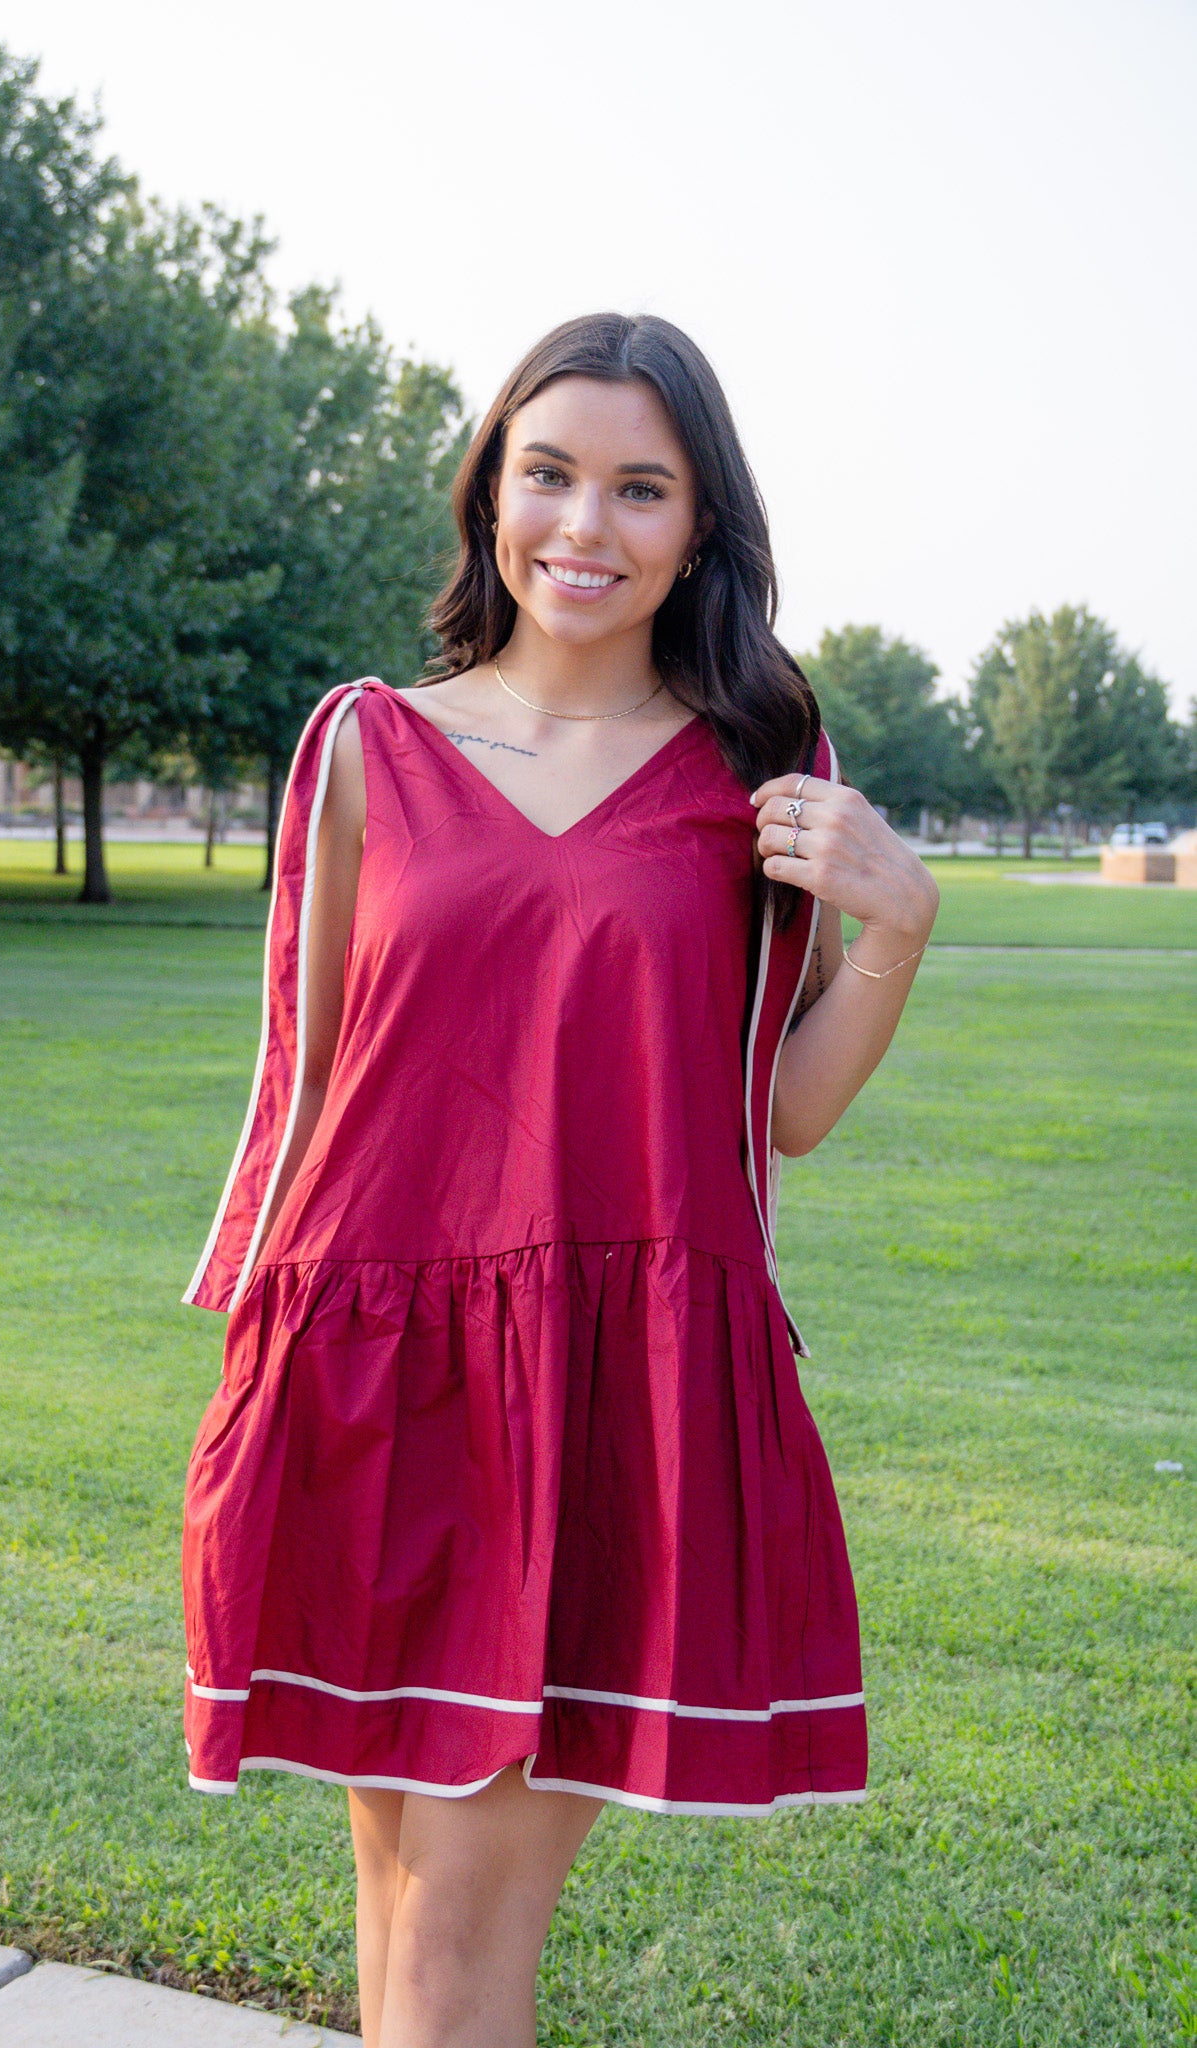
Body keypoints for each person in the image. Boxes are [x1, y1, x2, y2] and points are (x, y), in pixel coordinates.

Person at [180, 312, 939, 2048]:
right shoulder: (364, 743)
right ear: (490, 492)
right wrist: (253, 1365)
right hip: (365, 1365)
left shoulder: (762, 766)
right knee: (392, 1898)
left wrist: (897, 923)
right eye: (548, 473)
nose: (582, 527)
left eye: (637, 487)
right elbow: (299, 1085)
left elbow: (785, 1116)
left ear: (698, 526)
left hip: (618, 1387)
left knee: (454, 1928)